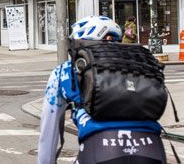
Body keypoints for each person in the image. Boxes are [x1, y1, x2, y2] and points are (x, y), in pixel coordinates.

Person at [38, 16, 166, 164]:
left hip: (100, 149)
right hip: (152, 148)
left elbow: (49, 131)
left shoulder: (65, 72)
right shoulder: (139, 65)